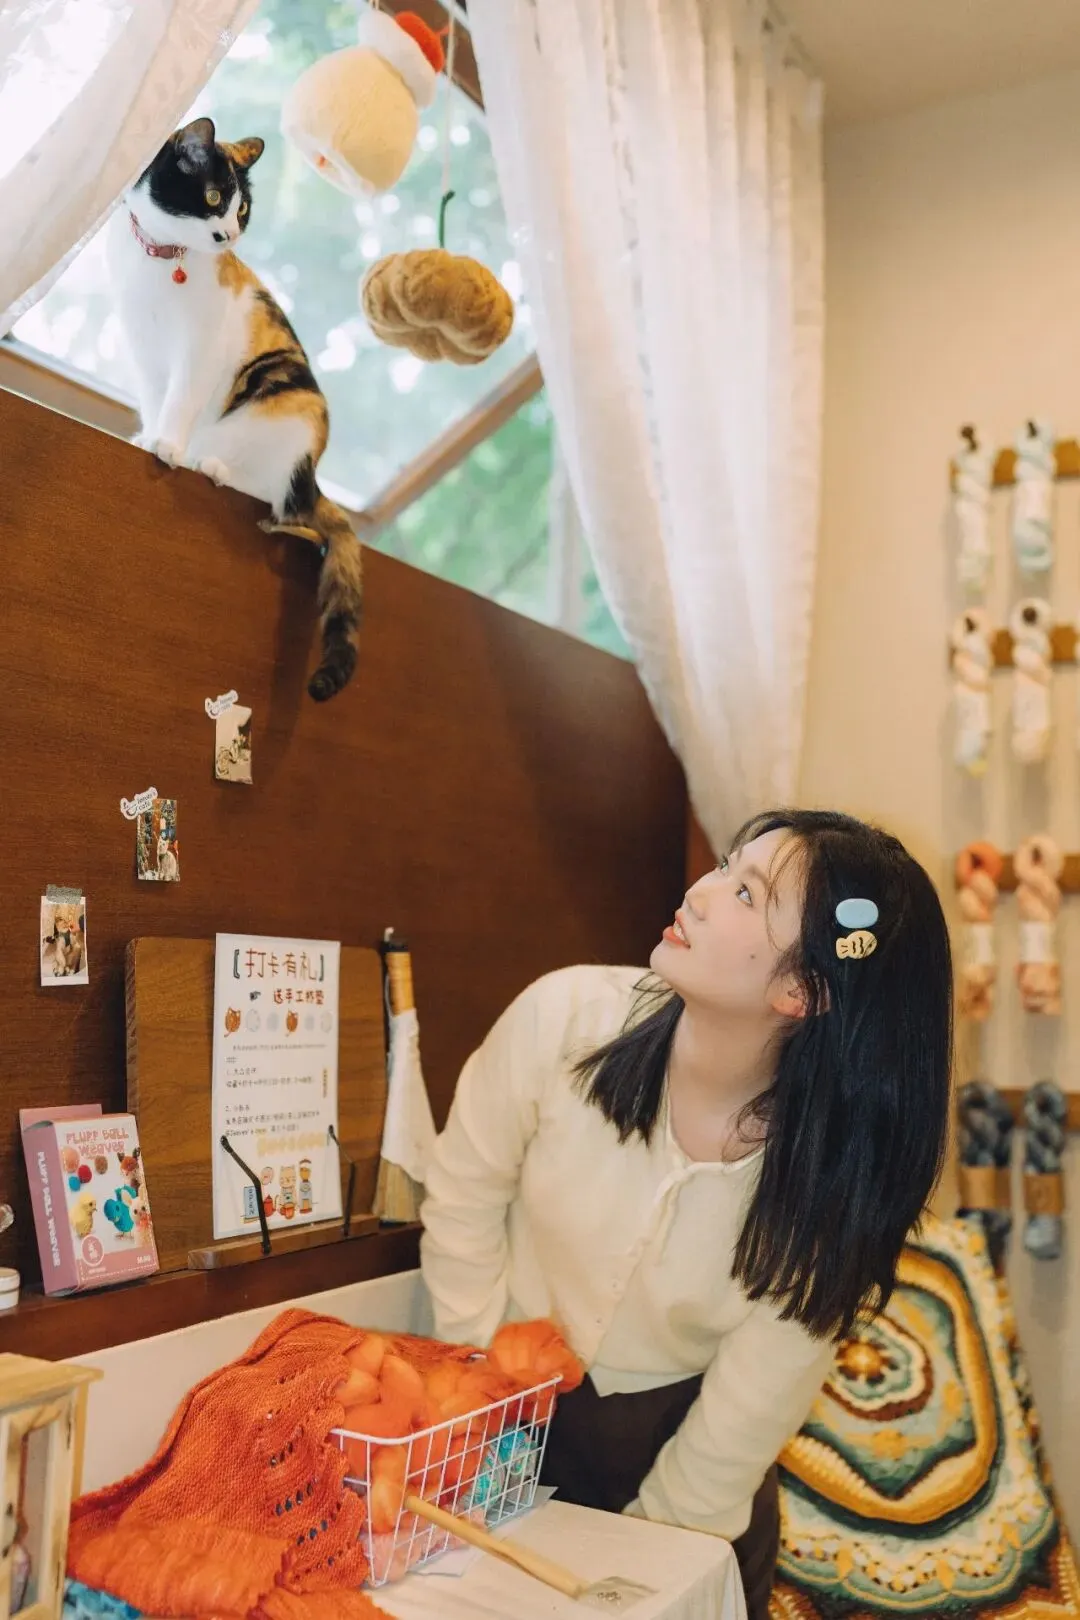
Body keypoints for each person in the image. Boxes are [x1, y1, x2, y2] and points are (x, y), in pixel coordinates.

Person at [420, 809, 953, 1619]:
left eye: (746, 893)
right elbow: (463, 1196)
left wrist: (649, 1579)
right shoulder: (563, 1017)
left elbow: (729, 1439)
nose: (701, 892)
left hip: (689, 1472)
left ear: (803, 991)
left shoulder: (826, 1183)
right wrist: (476, 1395)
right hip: (500, 1415)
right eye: (726, 866)